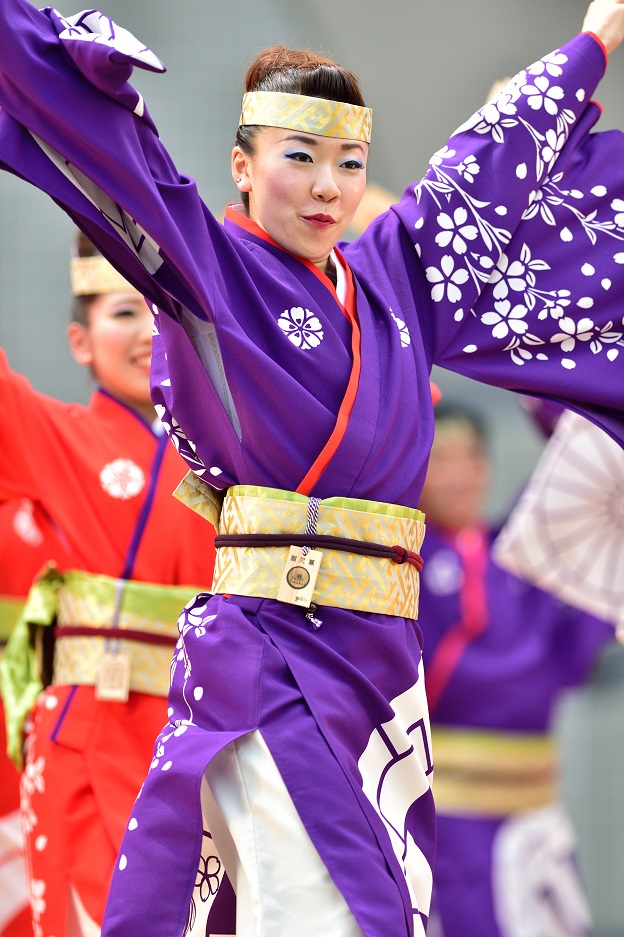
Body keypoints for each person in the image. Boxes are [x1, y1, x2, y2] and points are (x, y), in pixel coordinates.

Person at [1, 1, 624, 934]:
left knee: (363, 906)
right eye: (299, 157)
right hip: (271, 657)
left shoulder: (390, 275)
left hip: (379, 673)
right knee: (315, 906)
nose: (329, 186)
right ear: (243, 167)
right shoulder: (206, 268)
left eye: (350, 164)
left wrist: (586, 52)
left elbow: (470, 183)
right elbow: (112, 157)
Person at [0, 233, 216, 937]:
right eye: (124, 313)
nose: (148, 333)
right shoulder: (57, 433)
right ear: (80, 340)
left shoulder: (228, 460)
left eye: (161, 315)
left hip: (208, 738)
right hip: (94, 731)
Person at [417, 402, 613, 937]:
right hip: (449, 815)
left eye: (472, 458)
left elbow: (585, 465)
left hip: (538, 806)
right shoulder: (399, 560)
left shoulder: (521, 552)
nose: (460, 475)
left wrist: (554, 392)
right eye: (442, 460)